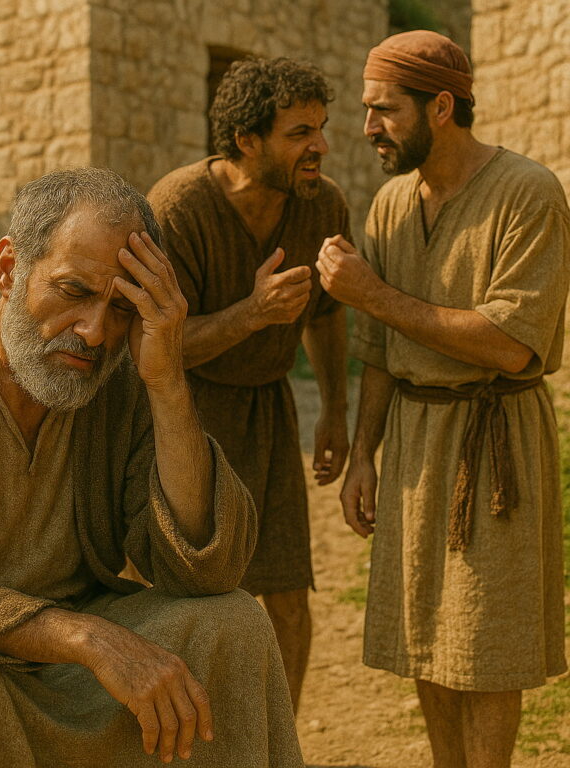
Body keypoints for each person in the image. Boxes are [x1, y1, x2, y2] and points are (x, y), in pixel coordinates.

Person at [0, 168, 305, 768]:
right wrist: (85, 639)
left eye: (122, 309)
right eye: (73, 292)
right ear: (9, 267)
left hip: (66, 660)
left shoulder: (116, 381)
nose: (95, 331)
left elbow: (209, 566)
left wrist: (167, 380)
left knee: (234, 623)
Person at [316, 30, 570, 767]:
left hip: (496, 447)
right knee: (427, 634)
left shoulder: (528, 193)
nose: (367, 130)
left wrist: (373, 294)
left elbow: (510, 343)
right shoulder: (392, 205)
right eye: (366, 111)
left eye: (384, 110)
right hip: (414, 445)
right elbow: (375, 355)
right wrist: (363, 454)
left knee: (487, 641)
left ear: (443, 107)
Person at [148, 57, 351, 711]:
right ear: (247, 140)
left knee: (289, 594)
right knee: (187, 596)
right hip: (187, 420)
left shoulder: (323, 205)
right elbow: (161, 350)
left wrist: (335, 414)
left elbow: (324, 315)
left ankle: (278, 745)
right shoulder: (178, 208)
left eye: (321, 128)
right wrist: (254, 313)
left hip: (271, 411)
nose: (319, 145)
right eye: (299, 133)